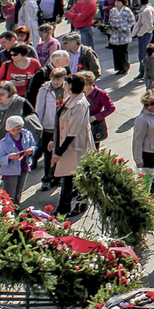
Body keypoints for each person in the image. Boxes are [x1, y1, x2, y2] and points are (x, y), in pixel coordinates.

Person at [52, 74, 94, 216]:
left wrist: (59, 152)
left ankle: (80, 204)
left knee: (77, 176)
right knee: (67, 176)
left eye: (66, 83)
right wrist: (55, 141)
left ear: (70, 85)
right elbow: (62, 124)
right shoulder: (69, 98)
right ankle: (63, 206)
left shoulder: (80, 104)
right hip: (67, 144)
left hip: (76, 146)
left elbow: (72, 132)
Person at [0, 115, 36, 203]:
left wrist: (32, 150)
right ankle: (9, 211)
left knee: (19, 192)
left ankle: (16, 208)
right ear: (8, 130)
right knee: (10, 194)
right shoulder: (4, 142)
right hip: (10, 171)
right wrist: (9, 157)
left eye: (18, 129)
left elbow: (34, 145)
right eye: (13, 130)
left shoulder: (27, 135)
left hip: (24, 167)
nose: (16, 132)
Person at [106, 0, 136, 74]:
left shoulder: (127, 11)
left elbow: (132, 21)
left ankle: (125, 67)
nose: (116, 3)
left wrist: (123, 28)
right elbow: (110, 21)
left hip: (124, 34)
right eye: (116, 2)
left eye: (118, 2)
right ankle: (118, 68)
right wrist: (111, 27)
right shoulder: (112, 11)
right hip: (115, 34)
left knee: (123, 52)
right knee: (116, 52)